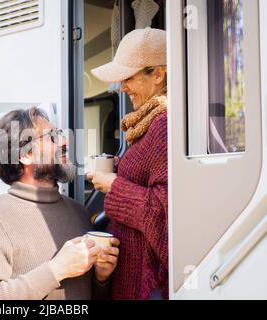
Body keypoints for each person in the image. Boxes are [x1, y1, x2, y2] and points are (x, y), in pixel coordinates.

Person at [0, 107, 120, 300]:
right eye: (52, 137)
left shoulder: (79, 212)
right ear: (25, 155)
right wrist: (56, 269)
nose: (64, 142)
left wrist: (101, 278)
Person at [87, 27, 168, 300]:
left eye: (128, 78)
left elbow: (163, 215)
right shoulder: (150, 121)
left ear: (157, 74)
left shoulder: (163, 125)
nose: (122, 88)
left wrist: (114, 186)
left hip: (146, 283)